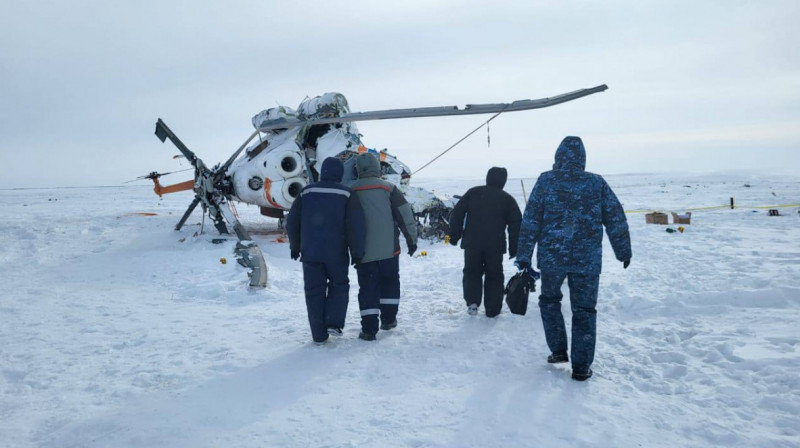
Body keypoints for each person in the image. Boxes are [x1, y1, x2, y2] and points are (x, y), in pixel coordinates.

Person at [516, 136, 631, 381]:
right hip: (586, 260)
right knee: (585, 310)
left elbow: (531, 220)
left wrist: (524, 255)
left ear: (558, 157)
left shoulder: (546, 181)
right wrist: (623, 250)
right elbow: (615, 218)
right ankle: (581, 366)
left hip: (552, 258)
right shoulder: (596, 183)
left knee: (549, 300)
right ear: (582, 159)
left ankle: (558, 350)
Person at [287, 157, 366, 344]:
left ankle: (318, 334)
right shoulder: (347, 194)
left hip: (311, 252)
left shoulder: (306, 191)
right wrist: (357, 252)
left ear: (322, 172)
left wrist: (295, 246)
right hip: (336, 252)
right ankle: (334, 322)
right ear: (340, 174)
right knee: (339, 285)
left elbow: (292, 221)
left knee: (314, 291)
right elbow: (356, 226)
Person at [350, 152, 418, 341]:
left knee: (368, 288)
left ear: (357, 169)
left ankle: (369, 330)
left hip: (364, 253)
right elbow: (406, 217)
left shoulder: (351, 191)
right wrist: (411, 240)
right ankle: (388, 319)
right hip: (390, 251)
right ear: (377, 168)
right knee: (390, 283)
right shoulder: (389, 189)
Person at [448, 167, 521, 317]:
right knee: (494, 275)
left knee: (471, 272)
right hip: (495, 245)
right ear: (503, 181)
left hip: (472, 243)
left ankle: (472, 302)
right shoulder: (507, 199)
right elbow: (516, 225)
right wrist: (515, 248)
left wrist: (454, 236)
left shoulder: (473, 192)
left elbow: (456, 214)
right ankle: (493, 309)